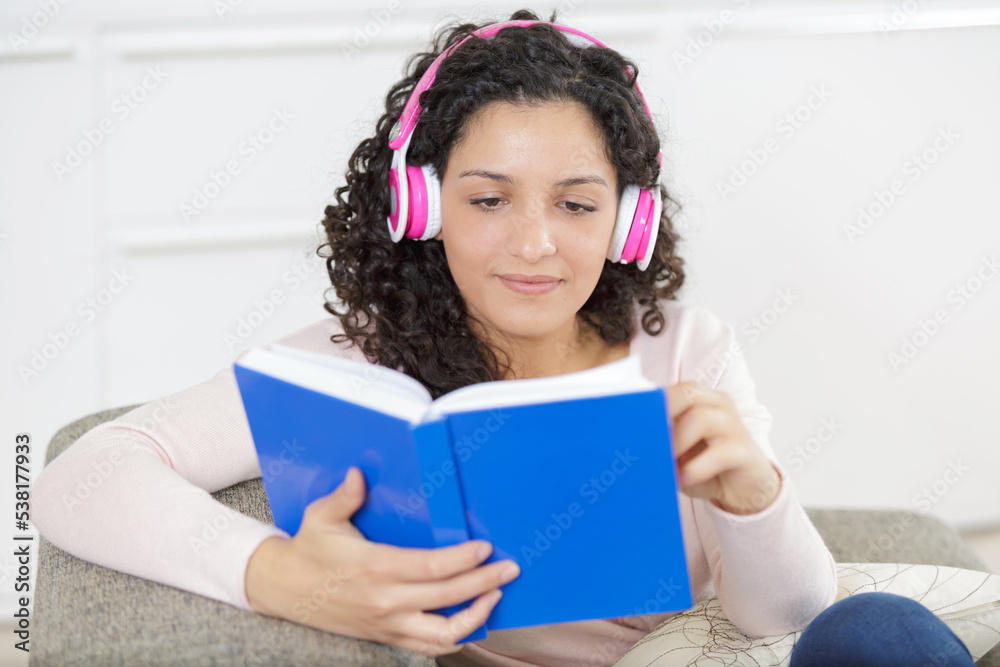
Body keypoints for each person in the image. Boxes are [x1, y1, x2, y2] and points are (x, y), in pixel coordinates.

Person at [31, 8, 976, 667]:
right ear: (423, 204)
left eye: (576, 204)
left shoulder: (688, 348)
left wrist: (753, 495)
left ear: (628, 222)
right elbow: (83, 472)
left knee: (878, 630)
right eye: (488, 200)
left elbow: (791, 618)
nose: (533, 244)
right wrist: (273, 574)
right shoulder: (355, 362)